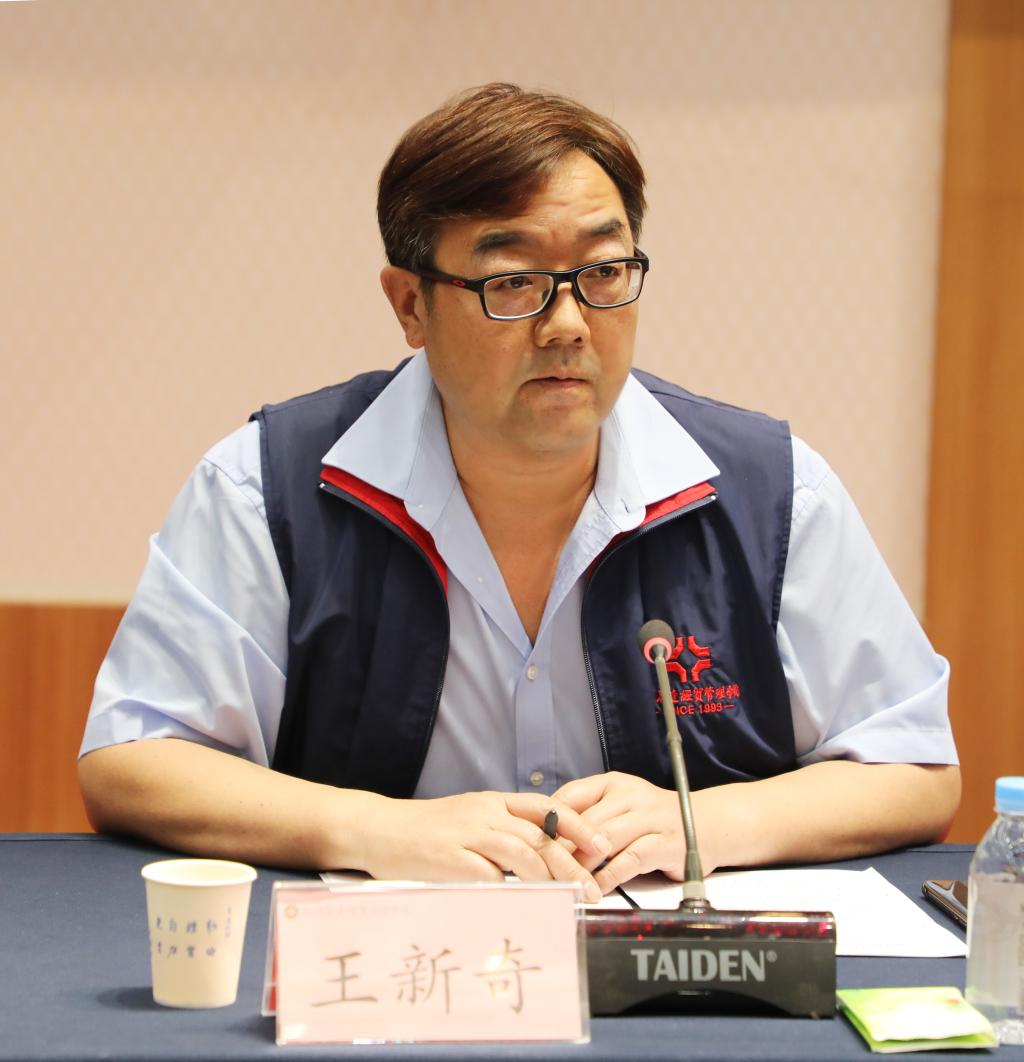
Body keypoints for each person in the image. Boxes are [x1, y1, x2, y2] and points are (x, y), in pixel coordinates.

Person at [78, 84, 960, 902]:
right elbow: (135, 759)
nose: (568, 323)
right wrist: (373, 828)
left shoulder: (769, 491)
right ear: (410, 305)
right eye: (512, 284)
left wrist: (706, 823)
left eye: (603, 274)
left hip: (668, 974)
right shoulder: (269, 486)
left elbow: (914, 766)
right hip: (383, 971)